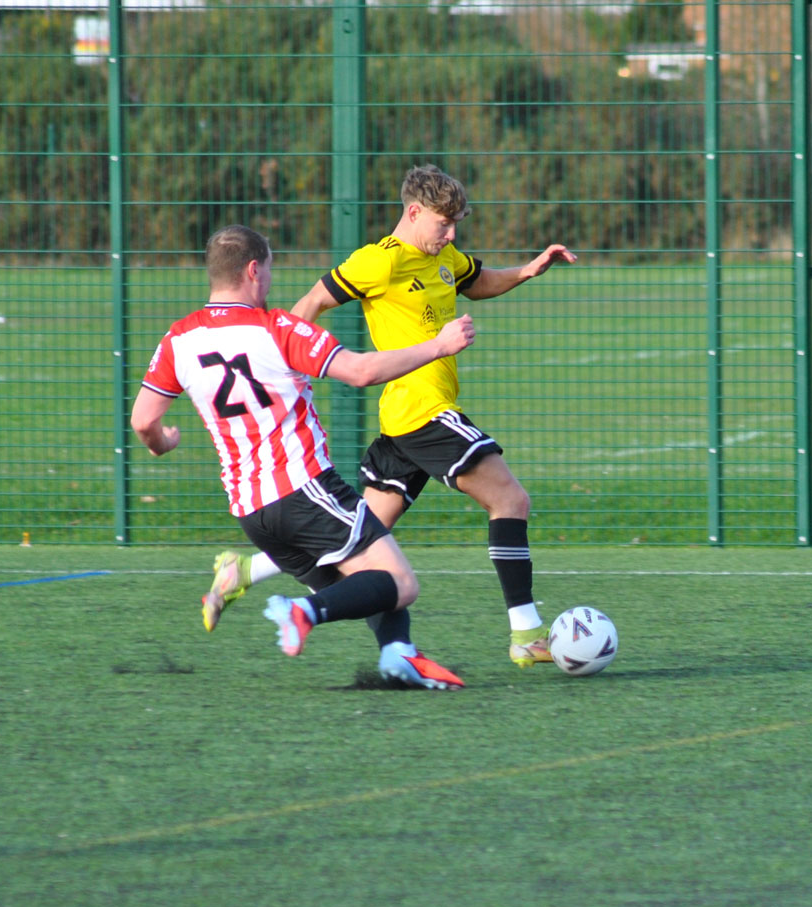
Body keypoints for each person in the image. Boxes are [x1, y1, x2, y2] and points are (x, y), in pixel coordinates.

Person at [205, 163, 577, 669]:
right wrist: (281, 364)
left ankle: (243, 572)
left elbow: (477, 281)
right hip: (421, 411)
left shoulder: (442, 255)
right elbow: (311, 303)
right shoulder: (378, 262)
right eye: (443, 224)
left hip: (404, 423)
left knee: (361, 539)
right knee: (510, 499)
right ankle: (527, 634)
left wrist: (528, 270)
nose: (451, 235)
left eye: (456, 225)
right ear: (414, 212)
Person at [131, 224, 472, 690]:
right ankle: (300, 612)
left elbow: (143, 420)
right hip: (303, 488)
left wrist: (161, 443)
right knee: (400, 583)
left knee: (364, 583)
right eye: (270, 269)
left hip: (252, 512)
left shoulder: (178, 339)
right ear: (254, 270)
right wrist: (439, 346)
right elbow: (361, 371)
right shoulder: (276, 328)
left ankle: (399, 654)